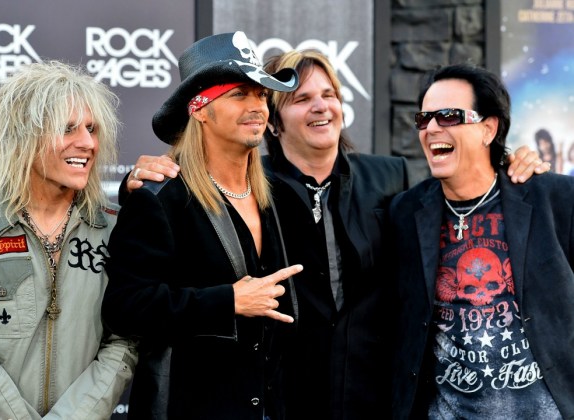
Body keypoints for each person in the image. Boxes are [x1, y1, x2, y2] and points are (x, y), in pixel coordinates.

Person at [125, 51, 550, 419]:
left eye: (329, 95)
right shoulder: (252, 188)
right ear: (274, 124)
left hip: (372, 396)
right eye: (302, 98)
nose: (320, 106)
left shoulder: (390, 177)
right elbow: (159, 254)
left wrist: (508, 163)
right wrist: (136, 183)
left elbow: (461, 193)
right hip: (283, 397)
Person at [100, 31, 303, 420]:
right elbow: (124, 308)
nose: (257, 106)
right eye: (239, 94)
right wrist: (227, 301)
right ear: (199, 109)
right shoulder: (160, 197)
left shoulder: (279, 197)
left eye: (261, 94)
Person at [0, 61, 137, 419]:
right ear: (23, 136)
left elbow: (124, 342)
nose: (87, 143)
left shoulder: (117, 229)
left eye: (92, 129)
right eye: (67, 128)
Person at [389, 63, 573, 418]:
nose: (432, 128)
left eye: (449, 116)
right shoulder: (405, 213)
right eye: (424, 119)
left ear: (488, 129)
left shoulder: (555, 199)